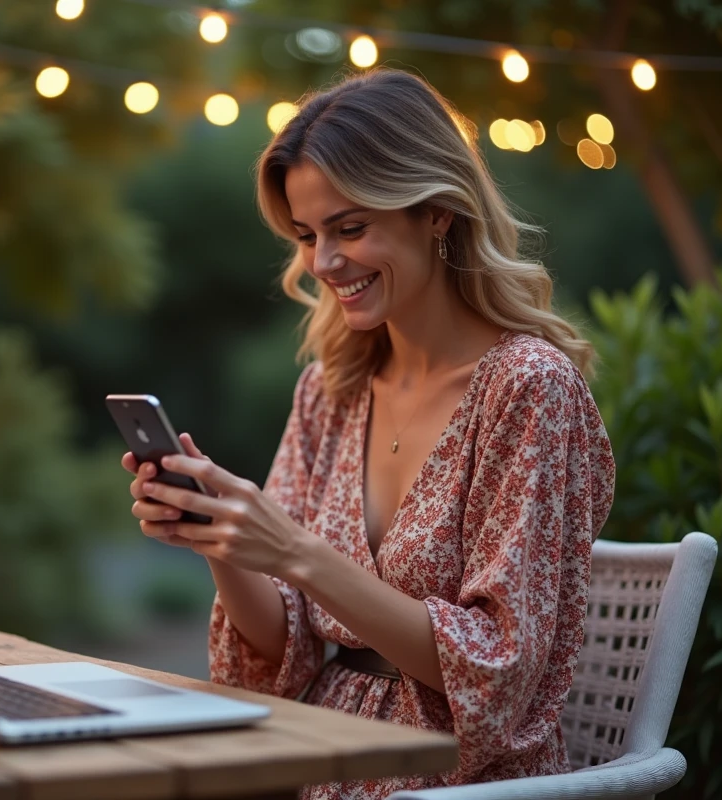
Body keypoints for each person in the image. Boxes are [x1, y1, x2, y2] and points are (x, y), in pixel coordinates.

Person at [121, 68, 615, 798]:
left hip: (458, 781)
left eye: (351, 228)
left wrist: (296, 552)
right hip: (325, 757)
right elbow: (279, 650)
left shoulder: (527, 388)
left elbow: (500, 671)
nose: (323, 263)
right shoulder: (332, 389)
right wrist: (222, 540)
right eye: (308, 235)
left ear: (438, 212)